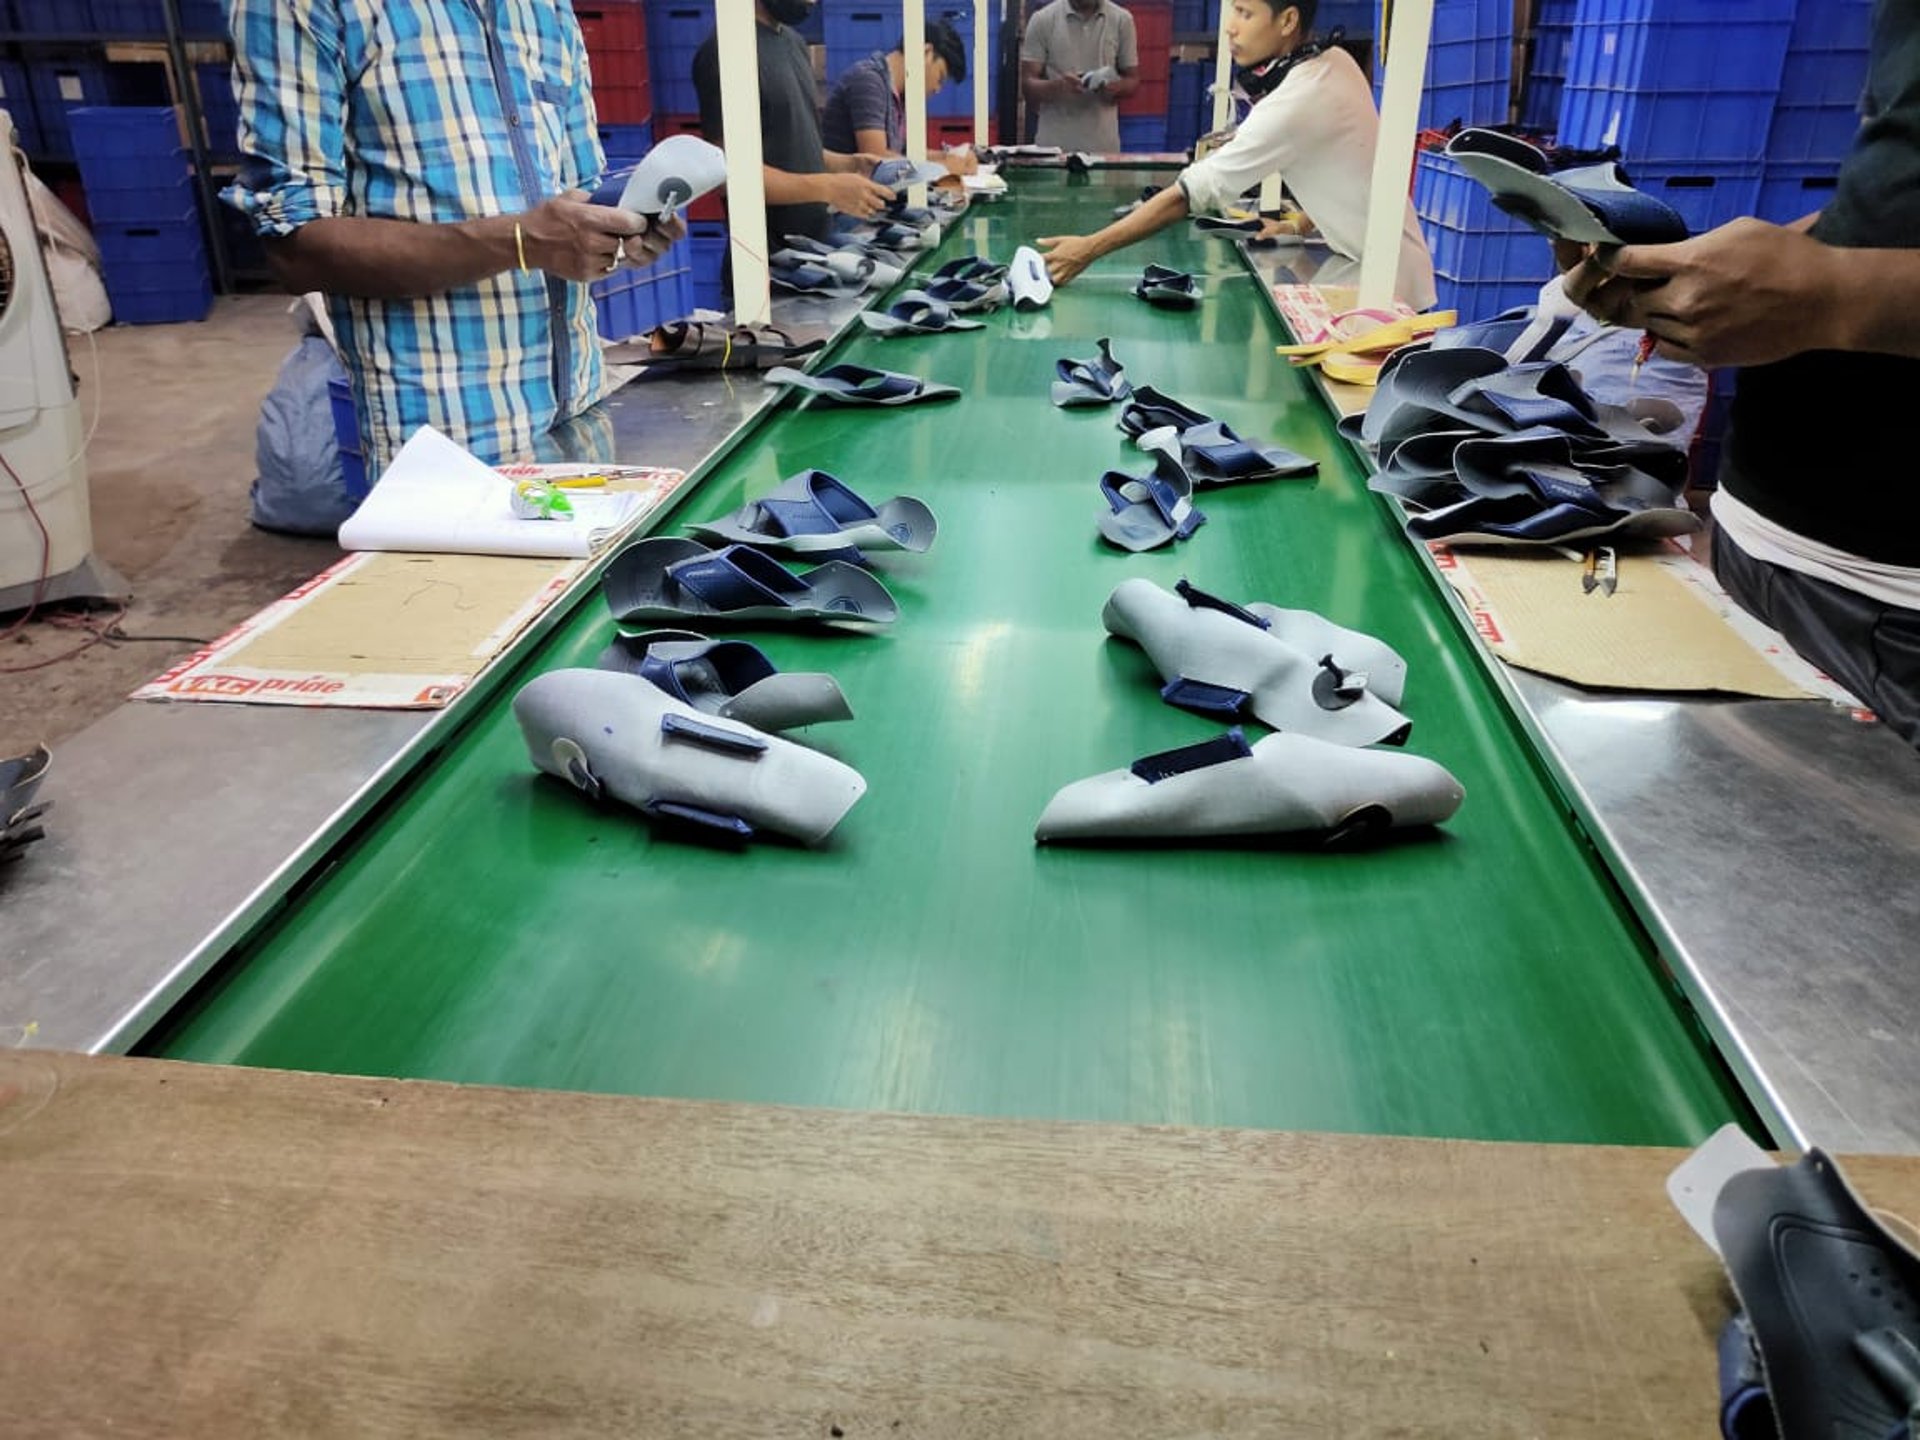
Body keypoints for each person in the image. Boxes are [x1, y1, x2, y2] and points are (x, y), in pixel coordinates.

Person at [1566, 0, 1920, 745]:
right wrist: (1704, 278)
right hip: (1759, 552)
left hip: (1899, 612)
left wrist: (1832, 295)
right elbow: (1890, 194)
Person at [223, 0, 682, 474]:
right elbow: (295, 249)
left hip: (579, 419)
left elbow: (577, 196)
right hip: (447, 446)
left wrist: (620, 234)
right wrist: (519, 241)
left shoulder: (545, 8)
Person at [1036, 0, 1435, 310]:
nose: (1230, 26)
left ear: (1288, 21)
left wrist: (1088, 249)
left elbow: (1192, 193)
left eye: (1245, 13)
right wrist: (1297, 223)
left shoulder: (1298, 99)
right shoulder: (1334, 63)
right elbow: (1350, 166)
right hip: (1380, 269)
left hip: (1392, 293)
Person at [694, 0, 895, 250]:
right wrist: (828, 187)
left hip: (814, 248)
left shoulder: (795, 43)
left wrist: (847, 164)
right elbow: (730, 174)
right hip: (767, 260)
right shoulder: (729, 51)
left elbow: (791, 145)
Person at [821, 21, 980, 175]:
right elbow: (876, 162)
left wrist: (948, 157)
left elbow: (902, 154)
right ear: (926, 52)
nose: (937, 89)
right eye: (940, 78)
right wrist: (942, 168)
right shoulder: (868, 81)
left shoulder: (897, 95)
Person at [1020, 0, 1140, 154]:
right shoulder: (1042, 20)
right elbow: (1027, 84)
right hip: (1053, 150)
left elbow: (1133, 80)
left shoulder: (1122, 20)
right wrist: (1057, 87)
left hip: (1103, 150)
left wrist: (1116, 88)